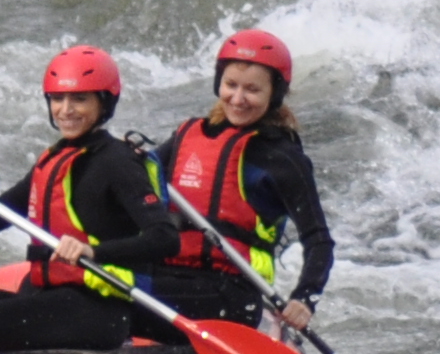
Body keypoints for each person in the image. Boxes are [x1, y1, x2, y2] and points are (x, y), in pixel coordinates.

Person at [135, 29, 331, 337]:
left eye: (252, 90)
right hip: (169, 274)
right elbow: (136, 185)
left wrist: (305, 298)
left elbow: (319, 240)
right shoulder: (188, 136)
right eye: (230, 85)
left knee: (113, 289)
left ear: (274, 94)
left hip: (231, 294)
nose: (238, 99)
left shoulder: (283, 159)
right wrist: (123, 158)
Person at [0, 45, 168, 354]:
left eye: (80, 99)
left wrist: (93, 251)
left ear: (104, 103)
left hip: (96, 308)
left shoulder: (117, 162)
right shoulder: (54, 159)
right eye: (57, 99)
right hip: (50, 294)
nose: (66, 110)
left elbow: (164, 238)